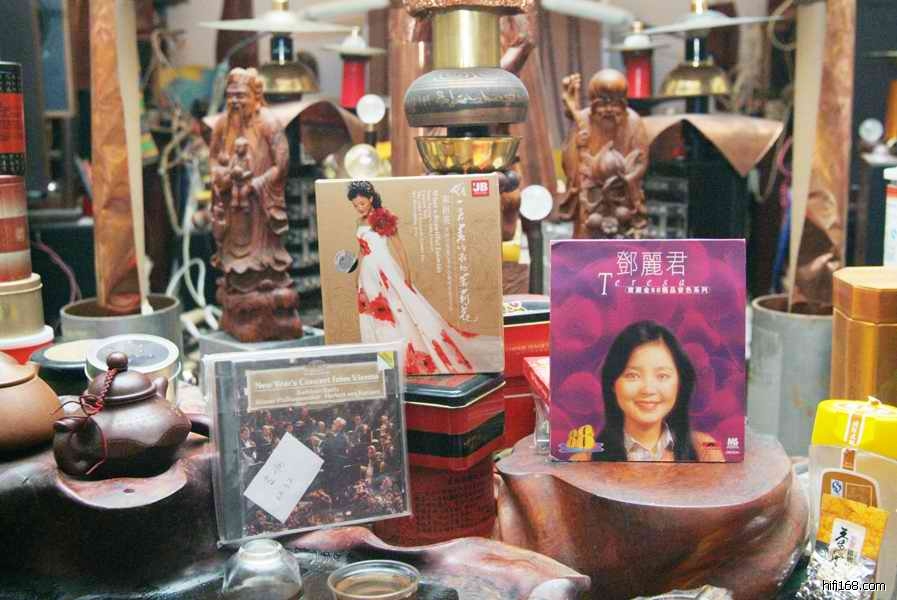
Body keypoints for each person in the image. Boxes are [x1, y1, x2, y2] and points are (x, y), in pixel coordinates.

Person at [346, 180, 499, 375]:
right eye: (355, 205)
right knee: (375, 318)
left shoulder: (382, 218)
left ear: (370, 199)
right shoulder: (358, 222)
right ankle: (384, 364)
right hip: (368, 273)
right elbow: (361, 251)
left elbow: (399, 248)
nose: (359, 208)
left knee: (399, 311)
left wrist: (407, 275)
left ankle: (405, 358)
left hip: (385, 269)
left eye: (362, 203)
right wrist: (357, 276)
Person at [570, 320, 723, 462]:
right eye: (632, 375)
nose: (648, 389)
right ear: (612, 383)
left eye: (662, 376)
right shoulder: (584, 460)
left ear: (680, 382)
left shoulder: (704, 451)